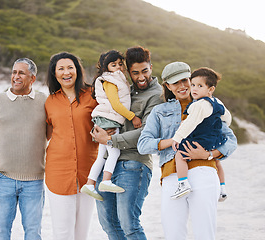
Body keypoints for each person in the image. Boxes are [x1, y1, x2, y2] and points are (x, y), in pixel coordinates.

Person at [137, 61, 237, 240]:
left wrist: (207, 155)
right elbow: (143, 144)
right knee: (173, 234)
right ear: (167, 86)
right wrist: (173, 141)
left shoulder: (209, 105)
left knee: (204, 234)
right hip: (171, 176)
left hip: (204, 171)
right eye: (176, 83)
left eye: (185, 80)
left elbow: (231, 141)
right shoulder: (160, 111)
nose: (182, 86)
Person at [90, 46, 163, 239]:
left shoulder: (157, 95)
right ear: (127, 71)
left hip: (134, 164)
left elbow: (147, 133)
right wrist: (97, 131)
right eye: (135, 72)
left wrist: (111, 139)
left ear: (151, 67)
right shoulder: (123, 90)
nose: (141, 77)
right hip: (107, 165)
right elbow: (107, 114)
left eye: (145, 71)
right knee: (109, 225)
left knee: (129, 224)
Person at [0, 58, 47, 240]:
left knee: (33, 233)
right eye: (14, 72)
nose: (16, 77)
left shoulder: (43, 101)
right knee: (1, 231)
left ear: (32, 79)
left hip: (34, 181)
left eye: (21, 73)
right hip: (4, 178)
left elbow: (54, 132)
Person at [44, 52, 99, 240]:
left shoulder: (93, 94)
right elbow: (48, 133)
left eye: (70, 67)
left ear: (77, 70)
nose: (66, 72)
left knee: (81, 233)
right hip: (58, 172)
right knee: (62, 233)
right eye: (61, 68)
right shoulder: (49, 102)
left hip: (88, 172)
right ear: (54, 73)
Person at [80, 50, 142, 201]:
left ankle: (89, 184)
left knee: (102, 154)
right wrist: (132, 117)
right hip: (109, 118)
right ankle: (106, 181)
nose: (119, 67)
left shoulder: (116, 79)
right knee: (114, 152)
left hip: (107, 118)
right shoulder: (110, 80)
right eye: (113, 65)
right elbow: (115, 104)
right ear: (105, 67)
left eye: (120, 64)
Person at [171, 66, 231, 200]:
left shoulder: (199, 105)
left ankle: (183, 183)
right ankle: (222, 188)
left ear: (210, 89)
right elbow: (227, 118)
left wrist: (177, 138)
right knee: (216, 161)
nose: (194, 89)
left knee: (180, 155)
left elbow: (190, 123)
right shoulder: (217, 102)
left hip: (201, 139)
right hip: (214, 139)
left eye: (199, 85)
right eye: (192, 85)